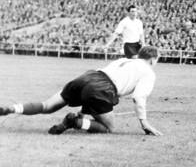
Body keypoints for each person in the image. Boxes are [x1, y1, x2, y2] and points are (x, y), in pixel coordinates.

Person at [0, 46, 163, 136]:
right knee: (109, 128)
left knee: (47, 106)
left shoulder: (124, 60)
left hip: (88, 76)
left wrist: (85, 110)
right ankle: (75, 122)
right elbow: (138, 97)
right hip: (103, 88)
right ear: (152, 59)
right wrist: (144, 123)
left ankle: (11, 108)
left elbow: (94, 88)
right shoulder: (148, 72)